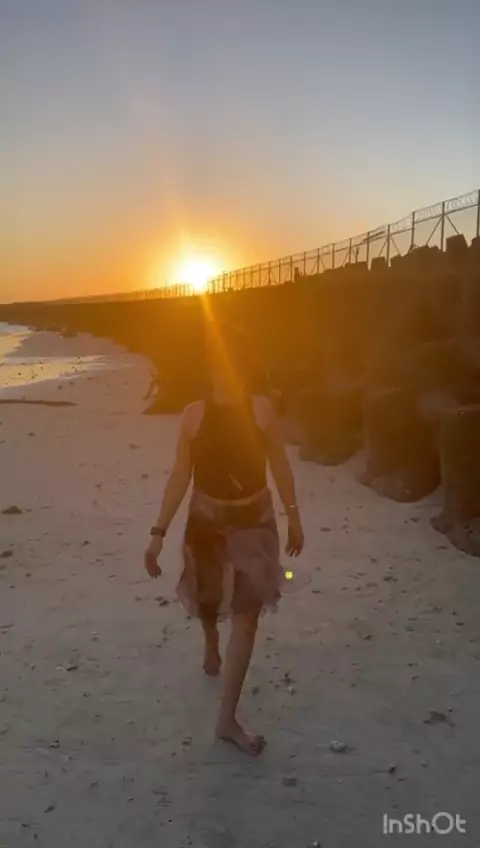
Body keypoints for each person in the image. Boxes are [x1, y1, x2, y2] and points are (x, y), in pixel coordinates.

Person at [144, 325, 304, 755]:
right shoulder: (193, 415)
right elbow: (180, 476)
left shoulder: (262, 411)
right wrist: (158, 532)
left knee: (247, 617)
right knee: (209, 599)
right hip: (207, 521)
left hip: (255, 522)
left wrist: (293, 515)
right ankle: (211, 642)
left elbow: (280, 466)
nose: (227, 367)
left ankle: (227, 720)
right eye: (219, 358)